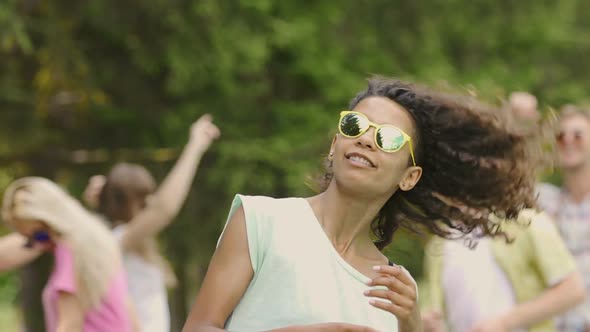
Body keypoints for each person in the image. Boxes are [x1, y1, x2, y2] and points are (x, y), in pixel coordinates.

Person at [182, 78, 543, 332]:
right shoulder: (261, 220)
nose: (366, 140)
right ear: (334, 145)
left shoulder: (394, 290)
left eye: (387, 138)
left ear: (409, 177)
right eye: (355, 125)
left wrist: (412, 326)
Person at [92, 114, 220, 332]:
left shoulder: (121, 241)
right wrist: (195, 146)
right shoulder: (119, 239)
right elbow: (164, 208)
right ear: (124, 202)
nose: (149, 203)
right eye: (142, 199)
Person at [1, 177, 137, 332]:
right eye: (30, 242)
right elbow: (129, 311)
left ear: (51, 221)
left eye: (40, 237)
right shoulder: (101, 244)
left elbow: (70, 325)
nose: (42, 246)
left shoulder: (68, 250)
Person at [420, 209, 585, 332]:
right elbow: (433, 309)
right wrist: (426, 322)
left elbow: (573, 290)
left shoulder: (525, 220)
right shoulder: (440, 240)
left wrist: (505, 322)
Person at [537, 105, 590, 331]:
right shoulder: (546, 202)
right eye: (561, 136)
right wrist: (520, 121)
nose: (568, 140)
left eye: (577, 135)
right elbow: (510, 175)